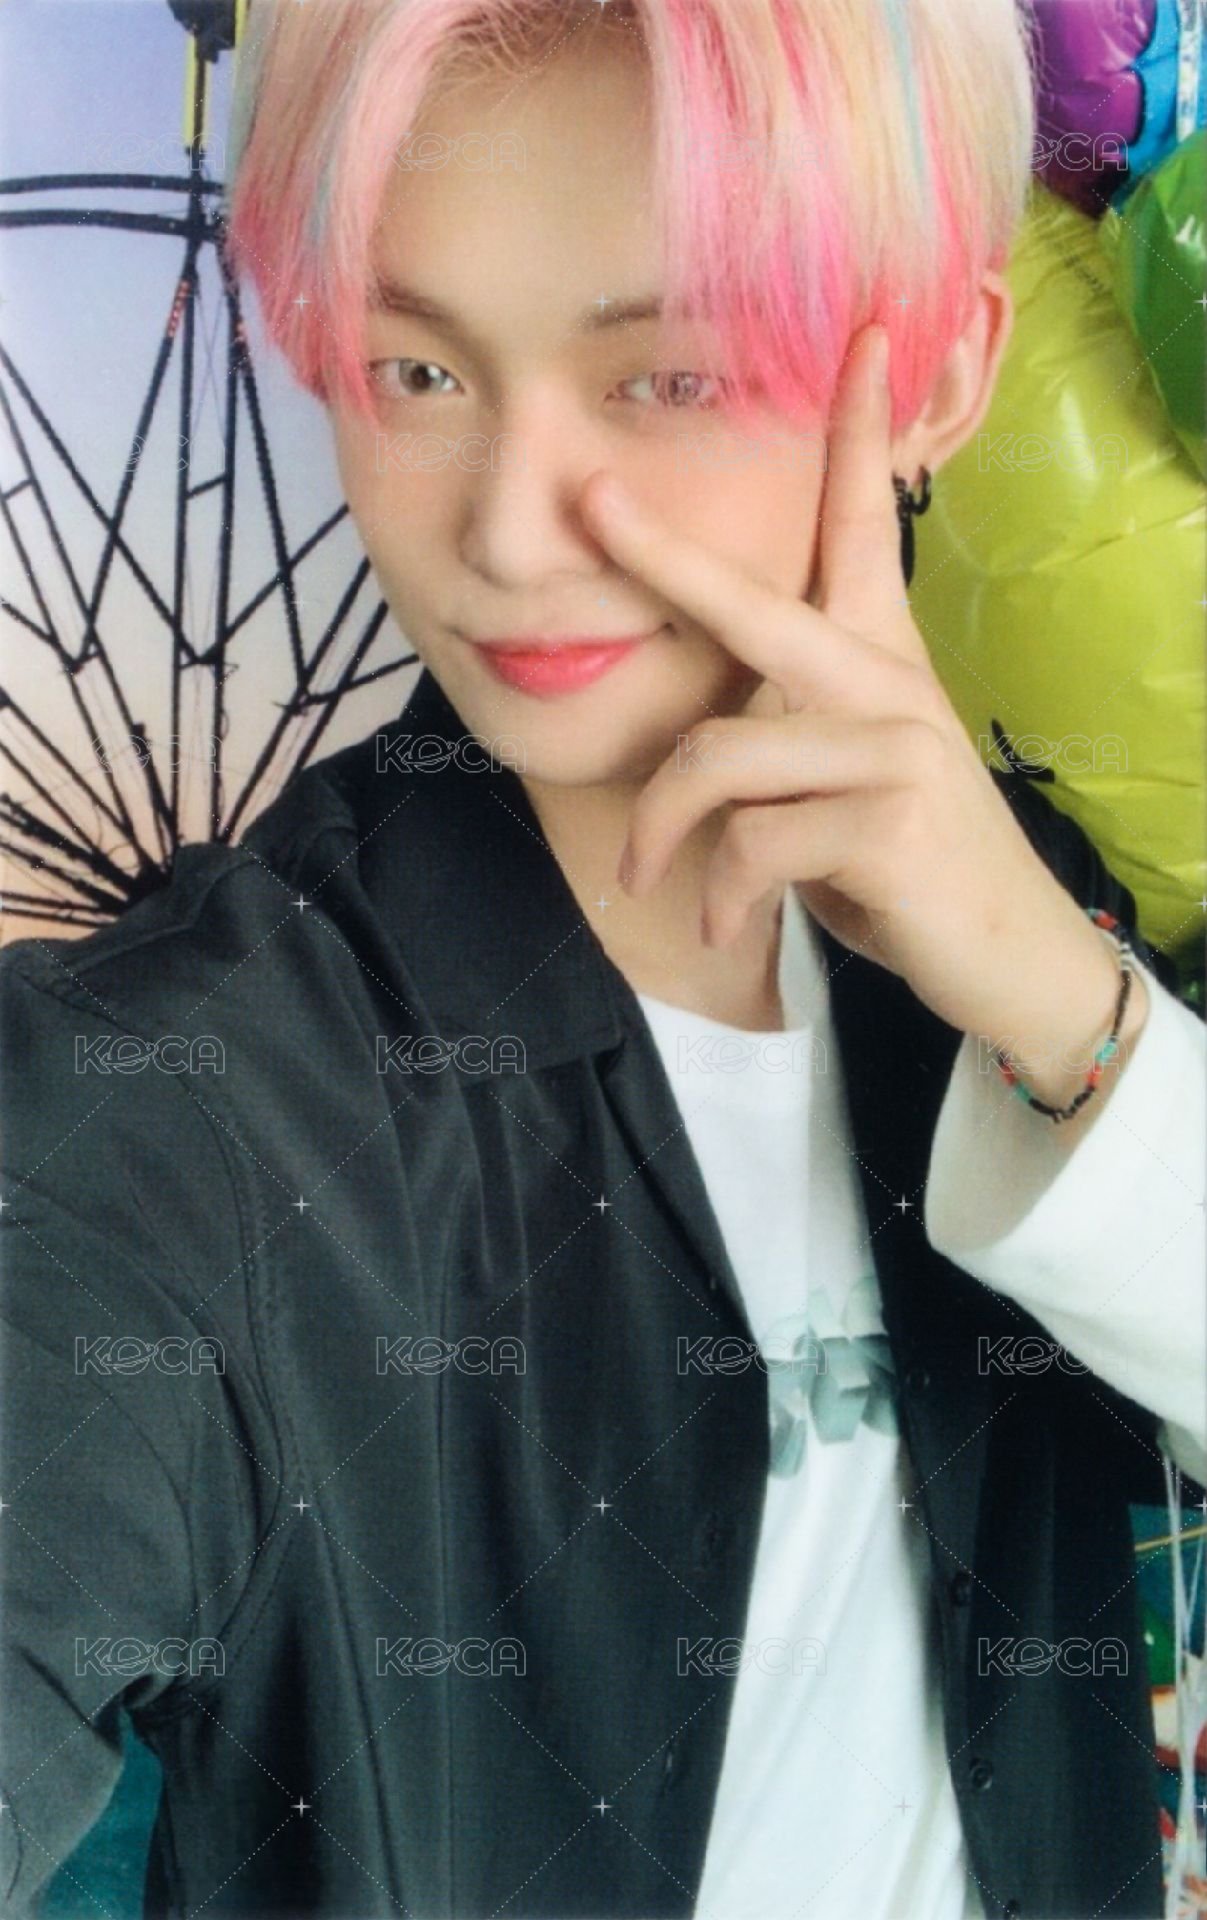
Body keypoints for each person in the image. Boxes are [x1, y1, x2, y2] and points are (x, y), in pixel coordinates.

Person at [2, 2, 1204, 1916]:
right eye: (416, 367)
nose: (506, 529)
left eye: (662, 378)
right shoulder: (201, 1104)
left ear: (942, 373)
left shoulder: (1028, 955)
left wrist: (1069, 1010)